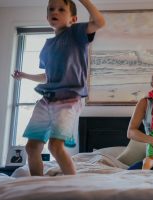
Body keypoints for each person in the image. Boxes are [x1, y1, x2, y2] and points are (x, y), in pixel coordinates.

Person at [11, 0, 105, 176]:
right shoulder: (47, 47)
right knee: (31, 148)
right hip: (47, 98)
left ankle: (72, 183)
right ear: (47, 16)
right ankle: (37, 186)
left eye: (62, 9)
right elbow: (47, 76)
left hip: (69, 99)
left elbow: (99, 22)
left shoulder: (76, 34)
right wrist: (24, 76)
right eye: (51, 9)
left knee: (55, 145)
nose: (55, 11)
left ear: (73, 19)